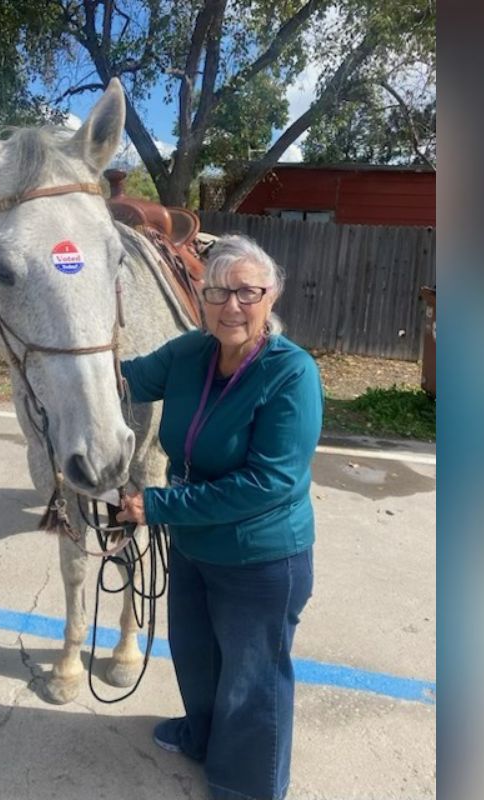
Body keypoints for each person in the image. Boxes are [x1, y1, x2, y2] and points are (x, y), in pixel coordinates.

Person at [116, 234, 323, 800]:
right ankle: (200, 734)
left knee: (252, 680)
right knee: (197, 656)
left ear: (270, 296)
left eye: (247, 292)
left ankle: (247, 785)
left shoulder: (290, 372)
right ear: (200, 297)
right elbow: (120, 378)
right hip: (193, 547)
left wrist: (155, 505)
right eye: (217, 292)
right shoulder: (189, 353)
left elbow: (269, 483)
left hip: (259, 557)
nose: (231, 305)